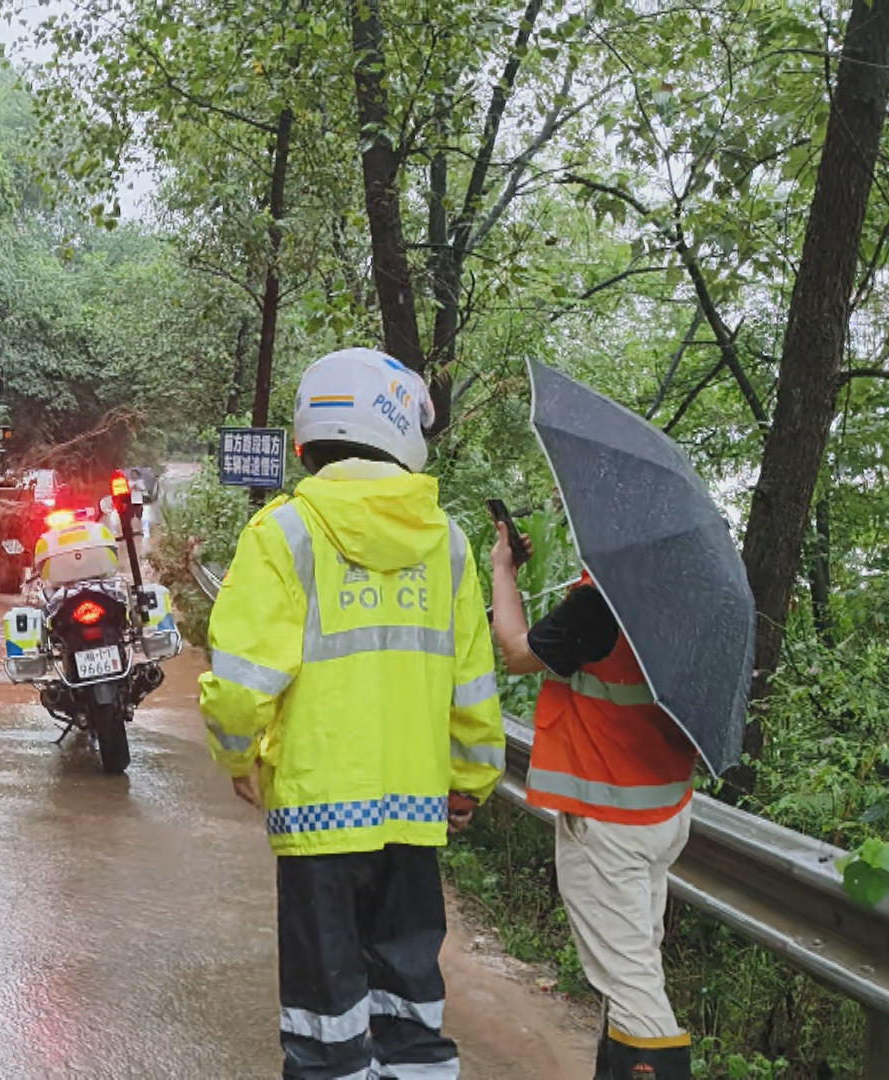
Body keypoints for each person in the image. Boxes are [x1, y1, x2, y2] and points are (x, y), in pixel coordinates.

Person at [200, 348, 504, 1080]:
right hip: (414, 820)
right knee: (410, 1020)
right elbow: (473, 693)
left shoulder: (284, 534)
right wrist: (468, 782)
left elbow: (242, 684)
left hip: (318, 823)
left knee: (325, 1026)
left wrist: (240, 757)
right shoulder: (451, 548)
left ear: (312, 436)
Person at [488, 526, 699, 1079]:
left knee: (633, 991)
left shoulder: (603, 601)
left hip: (609, 821)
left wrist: (503, 571)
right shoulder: (683, 596)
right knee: (632, 971)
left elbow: (515, 652)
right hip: (663, 811)